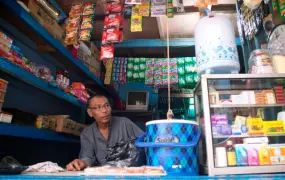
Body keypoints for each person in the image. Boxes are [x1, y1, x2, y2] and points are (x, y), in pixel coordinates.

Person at [66, 94, 144, 171]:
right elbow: (88, 157)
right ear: (90, 112)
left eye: (107, 105)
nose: (105, 110)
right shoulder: (87, 134)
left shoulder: (125, 123)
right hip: (105, 175)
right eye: (98, 107)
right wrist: (82, 163)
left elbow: (146, 140)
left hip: (129, 173)